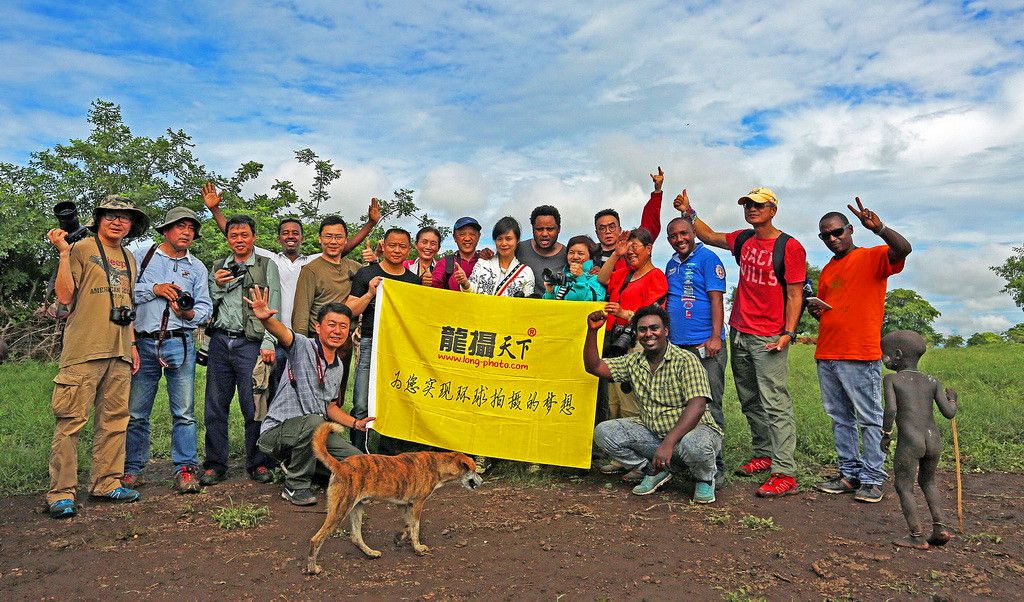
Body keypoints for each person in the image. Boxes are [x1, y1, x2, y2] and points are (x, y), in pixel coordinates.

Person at [675, 186, 806, 497]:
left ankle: (784, 471)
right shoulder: (744, 239)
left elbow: (794, 293)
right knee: (750, 399)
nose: (752, 209)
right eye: (748, 205)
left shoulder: (790, 247)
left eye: (759, 205)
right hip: (740, 331)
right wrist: (688, 212)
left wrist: (787, 333)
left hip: (770, 336)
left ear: (773, 210)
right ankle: (763, 453)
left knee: (775, 402)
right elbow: (708, 236)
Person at [203, 183, 379, 391]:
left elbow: (341, 247)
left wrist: (370, 224)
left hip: (304, 335)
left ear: (303, 238)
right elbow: (239, 236)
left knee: (309, 387)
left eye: (295, 233)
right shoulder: (270, 260)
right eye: (285, 233)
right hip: (275, 334)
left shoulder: (313, 262)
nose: (290, 236)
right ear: (278, 238)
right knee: (273, 388)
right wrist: (215, 210)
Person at [45, 195, 149, 518]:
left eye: (124, 217)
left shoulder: (130, 258)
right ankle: (61, 492)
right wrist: (63, 255)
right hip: (84, 350)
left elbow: (127, 305)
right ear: (99, 219)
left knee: (116, 420)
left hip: (118, 350)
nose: (118, 221)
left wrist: (131, 345)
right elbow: (64, 296)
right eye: (111, 216)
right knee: (71, 421)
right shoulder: (81, 249)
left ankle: (106, 482)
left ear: (131, 225)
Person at [810, 198, 911, 503]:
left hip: (859, 353)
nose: (832, 238)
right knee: (840, 417)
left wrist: (879, 228)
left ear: (851, 229)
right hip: (827, 352)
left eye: (837, 232)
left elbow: (903, 250)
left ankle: (873, 478)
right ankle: (849, 474)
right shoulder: (828, 269)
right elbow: (830, 306)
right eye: (825, 236)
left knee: (869, 418)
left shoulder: (874, 256)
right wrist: (817, 311)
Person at [584, 306, 722, 503]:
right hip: (654, 433)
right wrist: (592, 331)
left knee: (696, 445)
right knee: (604, 432)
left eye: (654, 328)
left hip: (694, 432)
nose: (648, 334)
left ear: (665, 331)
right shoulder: (633, 361)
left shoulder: (685, 360)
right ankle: (652, 470)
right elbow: (595, 367)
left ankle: (705, 479)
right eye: (642, 330)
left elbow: (697, 406)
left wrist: (668, 443)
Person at [250, 289, 371, 506]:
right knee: (316, 423)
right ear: (318, 327)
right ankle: (295, 485)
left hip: (313, 433)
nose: (337, 331)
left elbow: (330, 407)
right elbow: (283, 334)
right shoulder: (303, 346)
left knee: (358, 463)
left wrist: (356, 423)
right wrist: (267, 320)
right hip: (278, 432)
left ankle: (305, 465)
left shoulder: (338, 366)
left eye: (343, 326)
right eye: (331, 324)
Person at [124, 207, 213, 493]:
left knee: (184, 411)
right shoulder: (142, 256)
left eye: (190, 228)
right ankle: (132, 468)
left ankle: (185, 468)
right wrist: (155, 289)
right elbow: (124, 292)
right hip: (143, 340)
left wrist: (188, 315)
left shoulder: (197, 267)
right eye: (180, 227)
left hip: (181, 341)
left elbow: (205, 307)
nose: (186, 232)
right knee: (137, 411)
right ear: (165, 230)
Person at [201, 214, 281, 486]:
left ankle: (259, 462)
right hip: (221, 341)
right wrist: (220, 285)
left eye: (244, 235)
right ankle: (215, 464)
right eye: (234, 236)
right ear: (228, 239)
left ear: (253, 237)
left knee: (254, 405)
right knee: (215, 405)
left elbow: (274, 304)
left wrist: (269, 342)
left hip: (251, 342)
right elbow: (207, 304)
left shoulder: (266, 265)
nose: (239, 240)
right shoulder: (217, 266)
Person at [664, 216, 728, 484]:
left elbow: (716, 300)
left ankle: (716, 466)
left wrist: (715, 337)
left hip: (705, 345)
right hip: (678, 347)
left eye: (684, 233)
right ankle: (685, 462)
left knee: (710, 404)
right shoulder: (670, 265)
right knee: (681, 406)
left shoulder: (708, 258)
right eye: (674, 236)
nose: (680, 239)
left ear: (693, 233)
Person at [880, 330, 957, 549]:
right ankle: (939, 528)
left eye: (883, 353)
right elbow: (949, 413)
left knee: (904, 486)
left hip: (910, 441)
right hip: (933, 440)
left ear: (896, 354)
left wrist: (886, 435)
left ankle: (916, 536)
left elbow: (891, 409)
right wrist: (952, 399)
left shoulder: (892, 379)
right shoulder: (932, 381)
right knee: (928, 481)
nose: (882, 358)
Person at [345, 228, 421, 452]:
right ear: (384, 247)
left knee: (395, 400)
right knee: (361, 401)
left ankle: (390, 454)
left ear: (409, 249)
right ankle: (357, 454)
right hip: (371, 343)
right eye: (392, 245)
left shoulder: (413, 281)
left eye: (402, 246)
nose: (397, 250)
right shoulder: (367, 274)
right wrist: (369, 294)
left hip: (399, 348)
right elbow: (350, 309)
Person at [595, 227, 668, 432]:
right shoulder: (624, 273)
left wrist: (624, 313)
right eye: (628, 248)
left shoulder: (656, 276)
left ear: (649, 248)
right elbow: (602, 278)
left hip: (638, 345)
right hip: (617, 343)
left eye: (634, 247)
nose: (630, 252)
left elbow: (654, 317)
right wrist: (616, 253)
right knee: (614, 399)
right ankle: (617, 454)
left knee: (632, 399)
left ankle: (638, 452)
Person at [592, 166, 665, 270]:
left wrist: (657, 192)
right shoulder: (590, 252)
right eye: (602, 228)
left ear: (620, 229)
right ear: (596, 232)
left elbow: (649, 226)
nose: (607, 231)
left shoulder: (632, 250)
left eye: (612, 227)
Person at [465, 217, 535, 297]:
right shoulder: (482, 264)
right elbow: (470, 291)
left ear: (517, 240)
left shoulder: (526, 272)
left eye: (508, 239)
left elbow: (528, 304)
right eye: (499, 239)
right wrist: (464, 283)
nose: (504, 243)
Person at [516, 206, 567, 291]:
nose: (544, 234)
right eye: (539, 229)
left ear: (559, 229)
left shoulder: (569, 255)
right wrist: (487, 255)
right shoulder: (518, 249)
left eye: (550, 229)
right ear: (532, 229)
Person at [541, 235, 606, 302]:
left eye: (580, 253)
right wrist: (549, 292)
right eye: (571, 253)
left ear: (591, 257)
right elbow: (548, 308)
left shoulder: (597, 278)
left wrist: (580, 278)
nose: (575, 257)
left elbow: (592, 301)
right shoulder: (562, 278)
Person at [432, 217, 483, 291]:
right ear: (454, 237)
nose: (467, 238)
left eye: (472, 234)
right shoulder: (446, 263)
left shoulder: (486, 261)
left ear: (478, 237)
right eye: (462, 234)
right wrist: (428, 282)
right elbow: (434, 285)